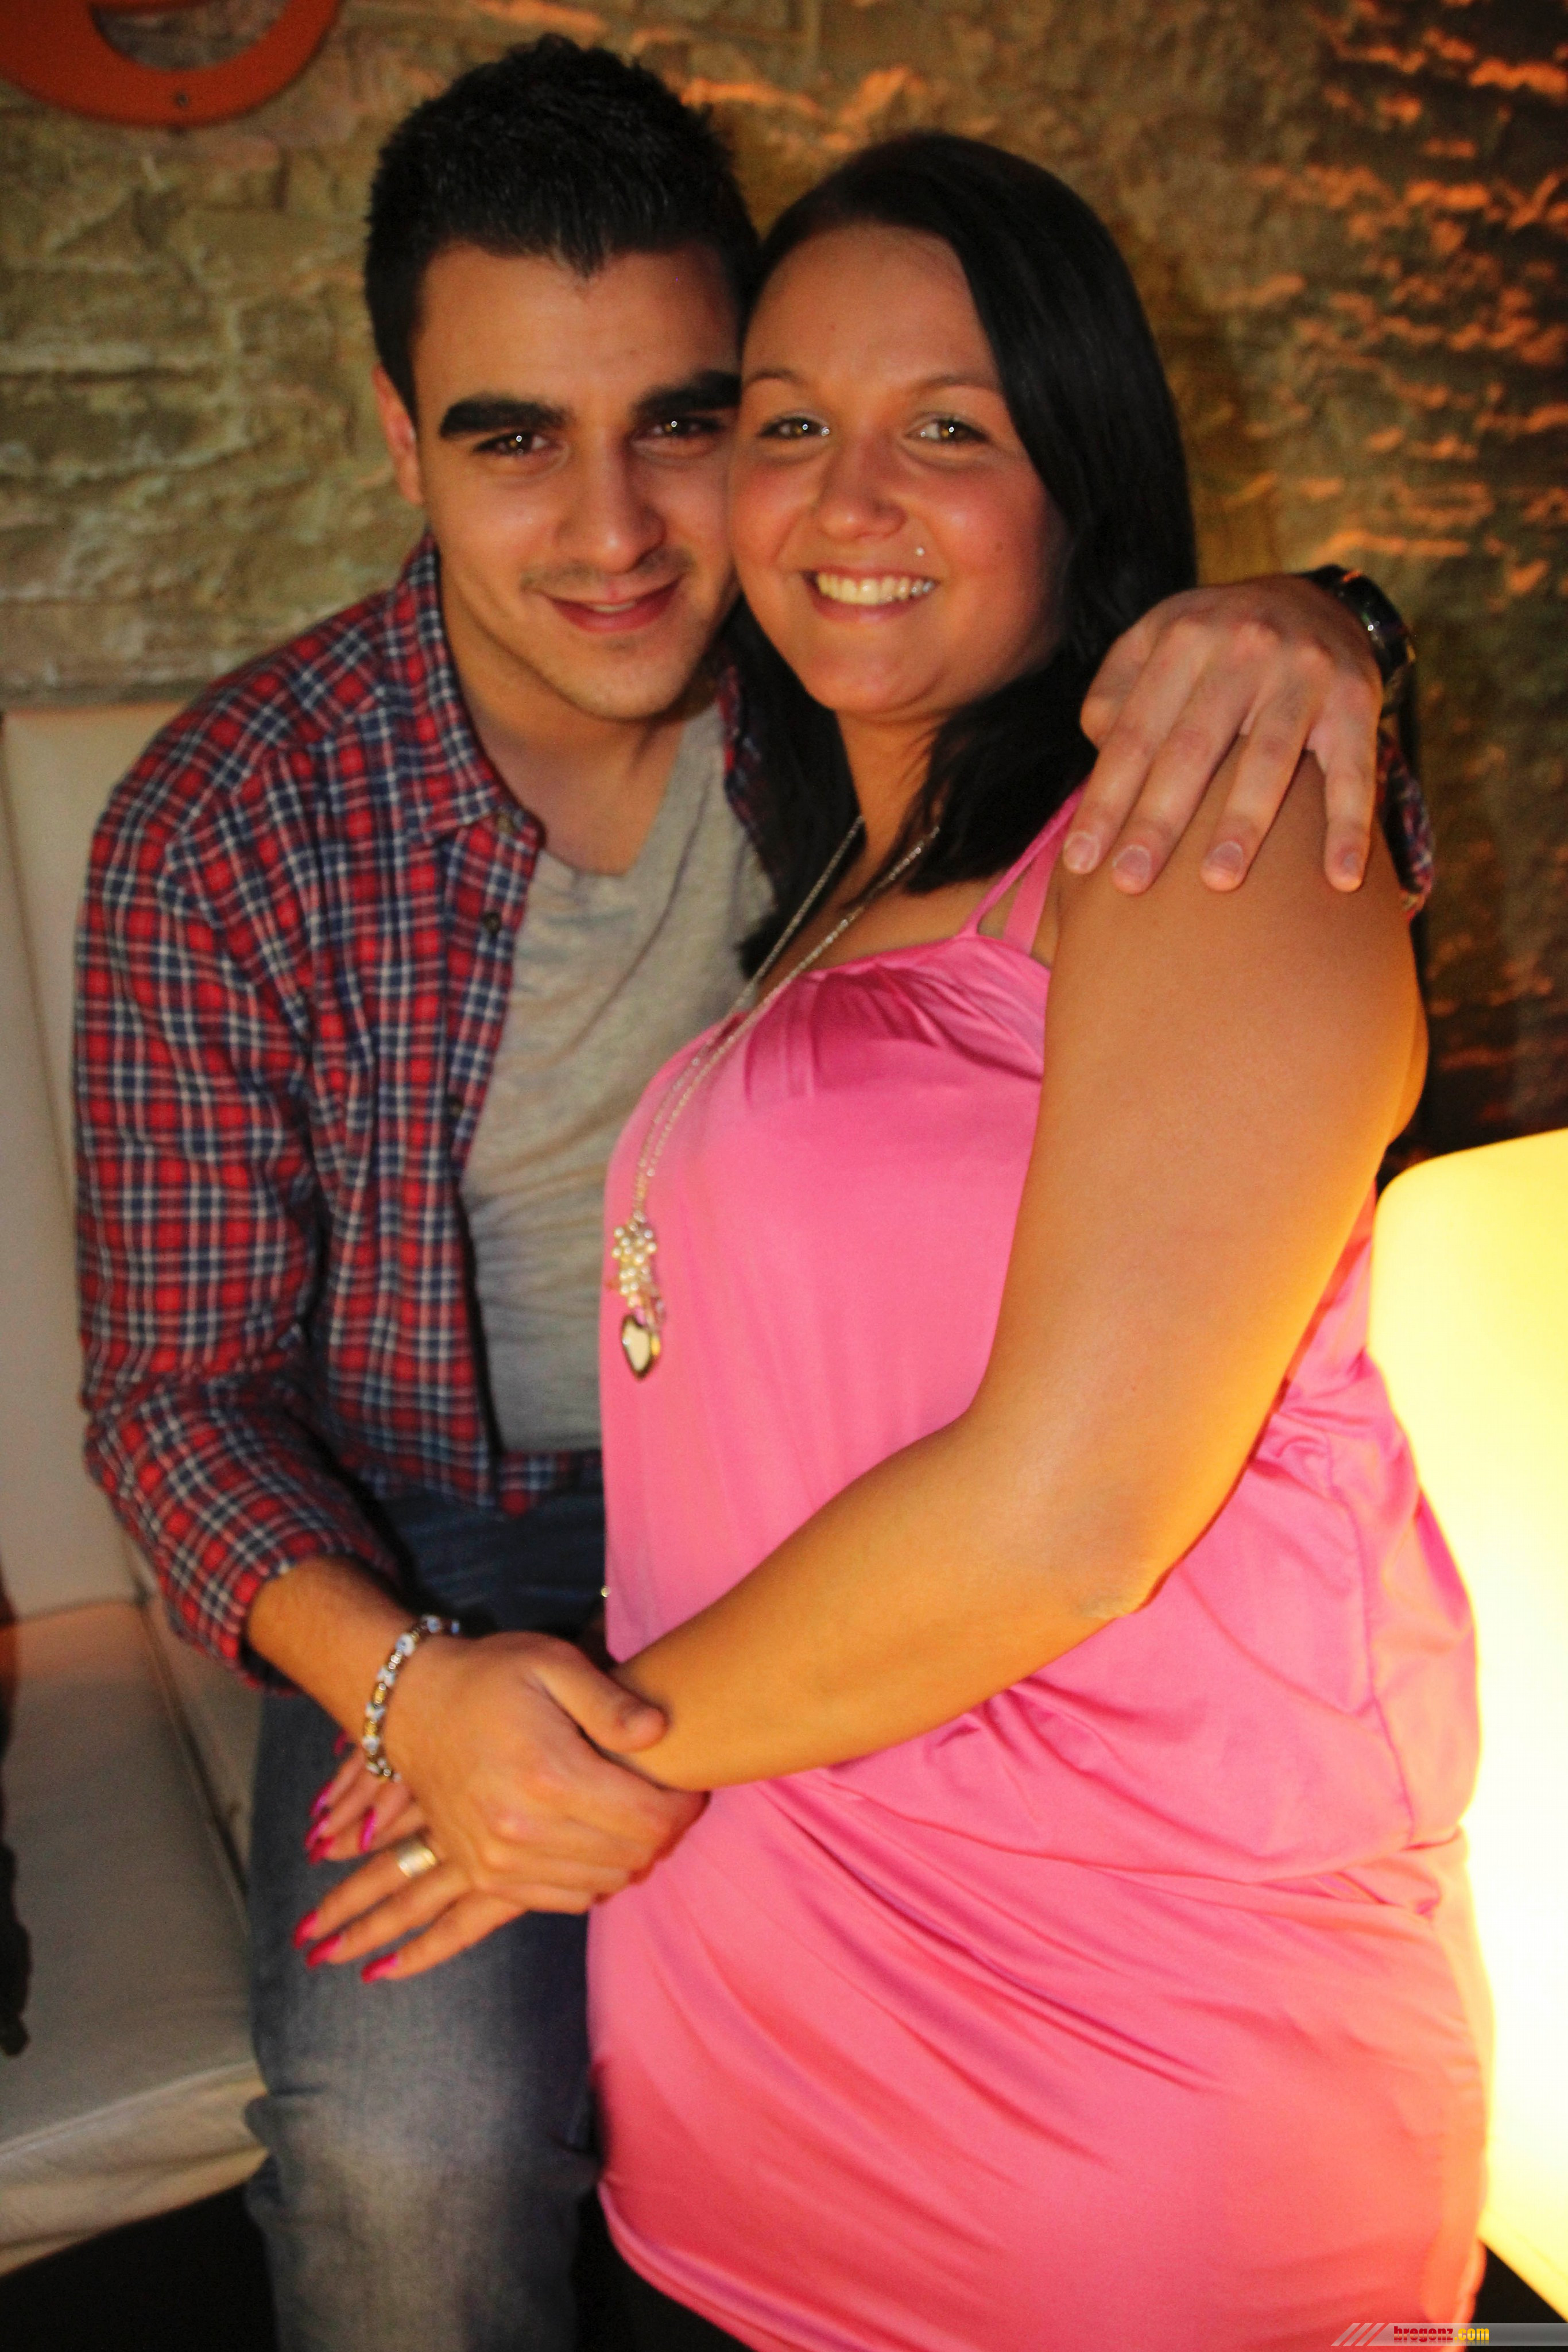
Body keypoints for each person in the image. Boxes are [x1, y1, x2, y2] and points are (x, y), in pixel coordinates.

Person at [75, 41, 1434, 2352]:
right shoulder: (232, 820)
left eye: (689, 422)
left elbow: (1119, 739)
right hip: (434, 1535)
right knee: (412, 2146)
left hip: (859, 1515)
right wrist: (407, 1683)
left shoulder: (848, 684)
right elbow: (170, 1397)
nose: (618, 528)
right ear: (399, 438)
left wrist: (1325, 621)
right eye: (513, 436)